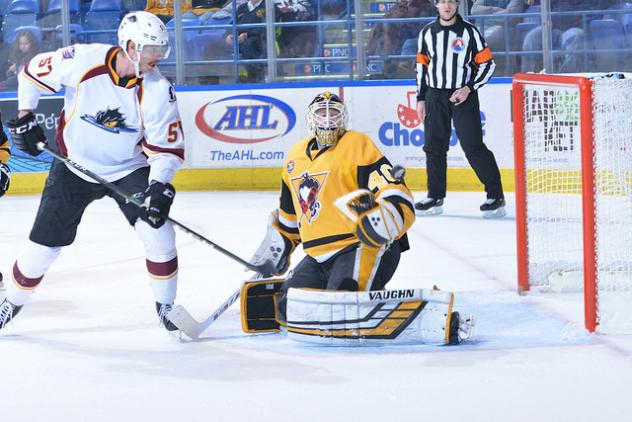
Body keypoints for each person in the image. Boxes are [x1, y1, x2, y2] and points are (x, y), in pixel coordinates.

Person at [0, 11, 185, 332]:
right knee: (41, 249)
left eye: (161, 49)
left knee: (159, 233)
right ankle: (10, 303)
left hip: (129, 169)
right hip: (74, 166)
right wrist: (25, 113)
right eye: (152, 48)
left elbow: (166, 150)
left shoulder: (157, 90)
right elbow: (30, 73)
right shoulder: (83, 59)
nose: (158, 57)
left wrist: (159, 186)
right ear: (130, 46)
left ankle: (166, 307)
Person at [249, 91, 416, 323]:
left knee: (343, 304)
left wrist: (390, 213)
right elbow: (290, 220)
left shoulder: (356, 143)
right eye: (321, 113)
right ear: (311, 118)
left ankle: (377, 305)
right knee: (288, 309)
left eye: (334, 112)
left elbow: (392, 188)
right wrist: (276, 248)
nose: (328, 119)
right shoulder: (294, 158)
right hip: (317, 255)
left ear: (343, 117)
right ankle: (364, 300)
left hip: (361, 245)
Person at [414, 0, 505, 218]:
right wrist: (421, 98)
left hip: (463, 96)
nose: (447, 5)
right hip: (434, 96)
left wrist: (468, 88)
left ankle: (495, 195)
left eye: (451, 1)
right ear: (436, 5)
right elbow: (421, 68)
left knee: (473, 146)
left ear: (457, 5)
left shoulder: (469, 32)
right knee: (434, 147)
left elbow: (488, 64)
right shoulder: (426, 33)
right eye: (443, 1)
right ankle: (435, 196)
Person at [521, 0, 611, 73]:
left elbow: (593, 10)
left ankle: (564, 78)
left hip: (577, 26)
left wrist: (559, 19)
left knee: (575, 37)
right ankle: (528, 76)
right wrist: (547, 17)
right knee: (531, 38)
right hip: (554, 27)